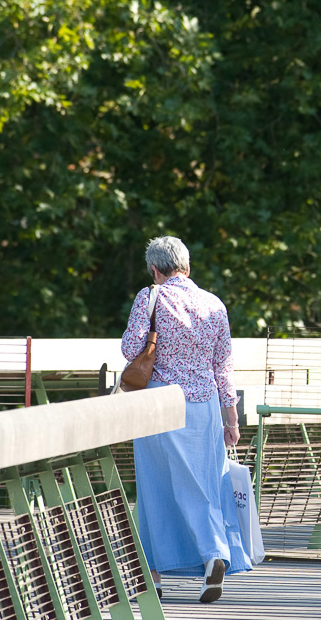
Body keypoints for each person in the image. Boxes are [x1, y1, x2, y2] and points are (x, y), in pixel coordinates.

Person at [121, 236, 251, 603]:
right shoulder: (214, 304)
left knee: (155, 489)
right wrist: (232, 418)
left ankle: (154, 575)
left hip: (159, 404)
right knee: (203, 483)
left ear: (154, 269)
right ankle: (213, 556)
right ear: (187, 266)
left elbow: (131, 349)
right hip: (204, 405)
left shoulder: (151, 297)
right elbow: (222, 366)